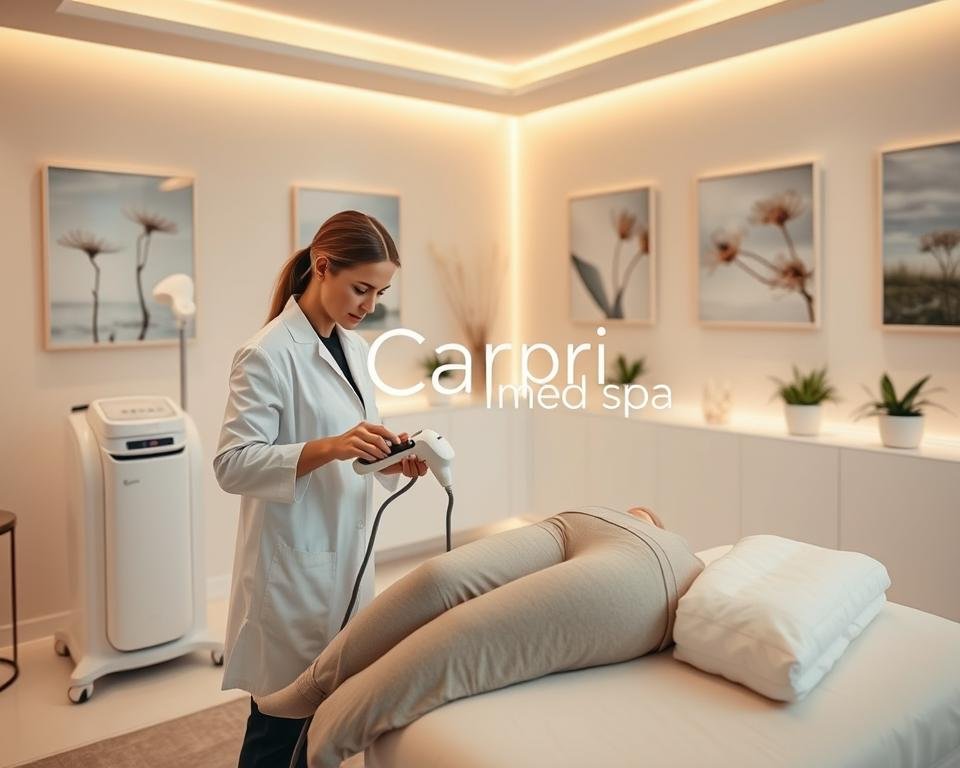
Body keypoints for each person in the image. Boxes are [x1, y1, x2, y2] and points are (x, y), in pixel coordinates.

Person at [213, 210, 428, 768]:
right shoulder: (265, 353)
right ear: (322, 265)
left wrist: (390, 461)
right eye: (361, 288)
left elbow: (356, 450)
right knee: (278, 727)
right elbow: (233, 465)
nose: (369, 305)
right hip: (293, 572)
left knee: (325, 721)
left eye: (379, 293)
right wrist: (332, 445)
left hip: (347, 562)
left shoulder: (354, 348)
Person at [255, 504, 704, 768]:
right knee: (437, 579)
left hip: (646, 565)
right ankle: (311, 687)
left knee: (466, 634)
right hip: (597, 517)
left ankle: (321, 745)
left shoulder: (691, 568)